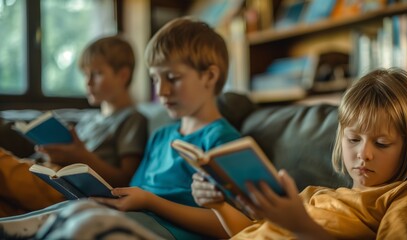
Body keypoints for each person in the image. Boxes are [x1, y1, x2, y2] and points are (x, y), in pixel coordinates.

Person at [0, 17, 241, 240]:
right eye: (155, 79)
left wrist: (151, 202)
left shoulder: (223, 141)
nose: (161, 91)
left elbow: (237, 225)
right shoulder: (161, 136)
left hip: (164, 232)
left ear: (209, 77)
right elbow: (133, 191)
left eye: (173, 78)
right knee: (66, 210)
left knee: (83, 220)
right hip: (130, 218)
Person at [191, 68, 407, 239]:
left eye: (381, 143)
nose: (364, 154)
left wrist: (301, 226)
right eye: (354, 139)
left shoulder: (403, 195)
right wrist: (219, 206)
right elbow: (251, 232)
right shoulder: (313, 195)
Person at [0, 35, 148, 217]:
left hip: (67, 188)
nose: (88, 82)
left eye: (97, 73)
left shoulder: (132, 119)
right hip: (44, 172)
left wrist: (83, 157)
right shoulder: (89, 118)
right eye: (86, 74)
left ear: (123, 75)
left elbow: (127, 179)